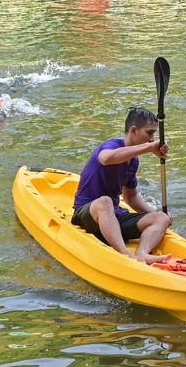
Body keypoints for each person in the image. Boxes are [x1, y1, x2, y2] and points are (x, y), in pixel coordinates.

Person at [72, 108, 173, 261]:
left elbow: (130, 197)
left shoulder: (133, 161)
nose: (152, 139)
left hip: (114, 217)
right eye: (149, 133)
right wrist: (149, 148)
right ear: (133, 130)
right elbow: (106, 159)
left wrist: (156, 214)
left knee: (161, 218)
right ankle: (126, 255)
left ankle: (142, 253)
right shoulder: (111, 145)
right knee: (105, 201)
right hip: (87, 214)